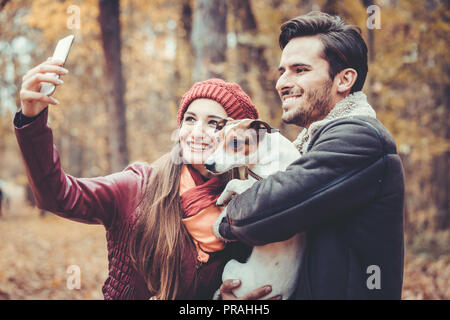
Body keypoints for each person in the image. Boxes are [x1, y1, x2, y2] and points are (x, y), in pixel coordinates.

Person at [14, 59, 274, 300]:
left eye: (214, 123)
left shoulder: (244, 204)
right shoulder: (137, 186)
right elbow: (57, 195)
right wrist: (32, 120)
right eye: (190, 119)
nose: (196, 132)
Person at [215, 11, 405, 300]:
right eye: (282, 71)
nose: (282, 83)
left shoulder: (360, 139)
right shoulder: (311, 144)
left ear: (344, 80)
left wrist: (221, 223)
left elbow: (261, 215)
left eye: (300, 70)